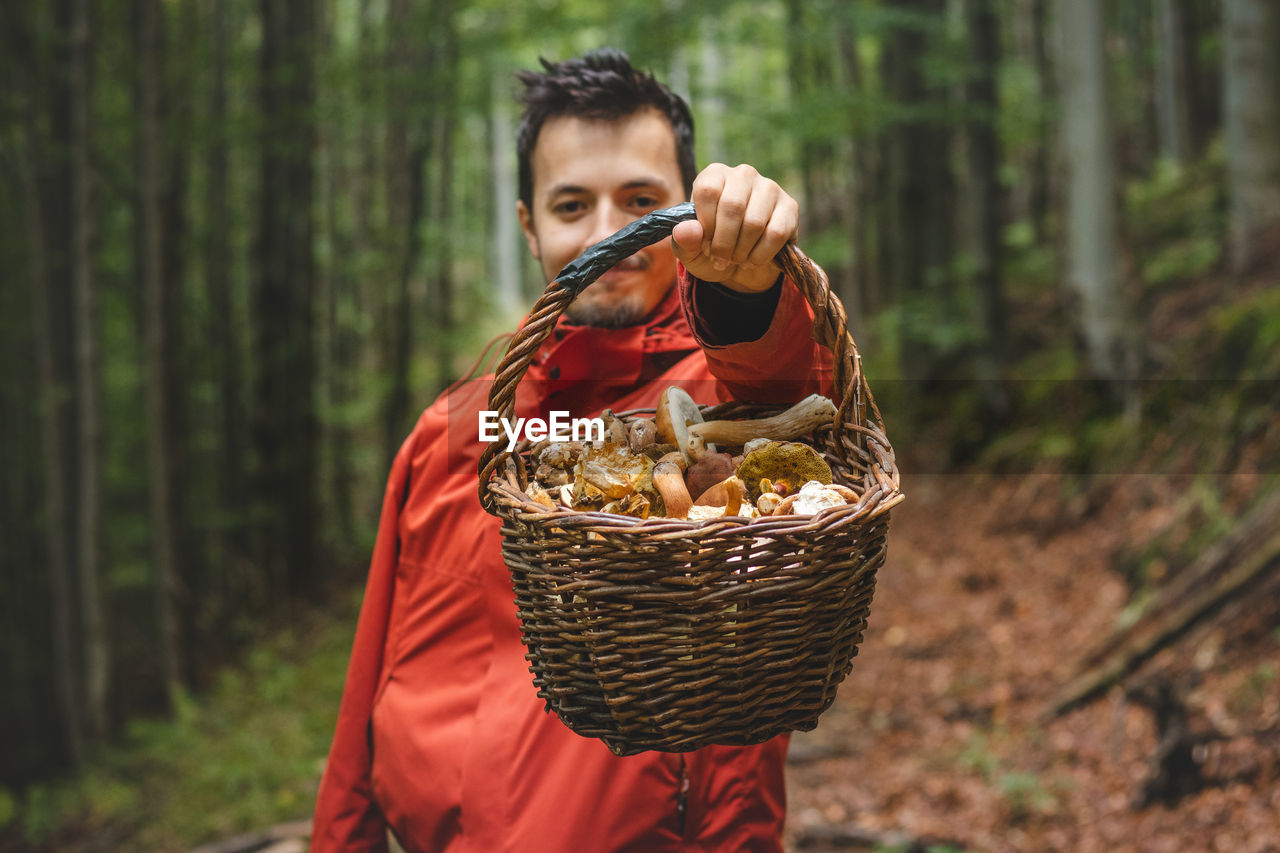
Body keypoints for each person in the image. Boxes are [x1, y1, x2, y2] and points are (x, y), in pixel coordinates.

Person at [312, 48, 834, 852]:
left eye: (640, 200)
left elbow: (791, 395)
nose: (608, 234)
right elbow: (363, 699)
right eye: (570, 205)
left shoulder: (721, 401)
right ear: (529, 226)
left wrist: (745, 294)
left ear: (685, 218)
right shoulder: (455, 430)